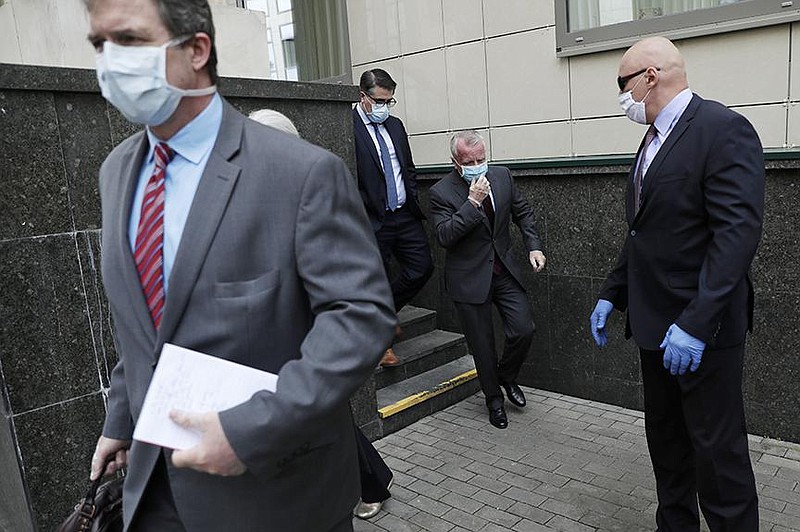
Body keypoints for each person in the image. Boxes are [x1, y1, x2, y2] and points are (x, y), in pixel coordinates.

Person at [84, 1, 396, 531]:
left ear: (197, 50)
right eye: (99, 44)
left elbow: (360, 316)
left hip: (277, 499)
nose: (110, 61)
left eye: (129, 41)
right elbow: (141, 321)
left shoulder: (300, 172)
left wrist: (252, 429)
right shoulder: (117, 172)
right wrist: (121, 418)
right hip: (154, 490)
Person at [589, 36, 763, 530]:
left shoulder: (722, 129)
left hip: (702, 335)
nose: (620, 97)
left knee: (718, 458)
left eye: (622, 84)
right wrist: (610, 293)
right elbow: (643, 232)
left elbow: (736, 236)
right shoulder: (652, 140)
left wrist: (696, 322)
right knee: (667, 450)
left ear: (650, 77)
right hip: (653, 329)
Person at [248, 107, 394, 522]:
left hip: (310, 348)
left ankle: (370, 485)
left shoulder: (318, 197)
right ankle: (372, 481)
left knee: (325, 422)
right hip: (277, 348)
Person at [429, 131, 545, 429]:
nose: (478, 165)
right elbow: (444, 236)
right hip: (469, 279)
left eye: (482, 158)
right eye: (470, 161)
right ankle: (494, 400)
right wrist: (472, 203)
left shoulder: (502, 176)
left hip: (503, 270)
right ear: (456, 162)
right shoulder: (441, 192)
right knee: (482, 346)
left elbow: (523, 213)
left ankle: (506, 376)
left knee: (523, 329)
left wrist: (534, 245)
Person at [352, 68, 434, 367]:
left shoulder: (396, 126)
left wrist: (410, 192)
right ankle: (382, 345)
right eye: (380, 100)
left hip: (404, 215)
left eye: (390, 100)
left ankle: (383, 316)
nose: (385, 106)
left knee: (422, 268)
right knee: (376, 280)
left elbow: (407, 167)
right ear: (363, 97)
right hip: (373, 220)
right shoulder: (348, 127)